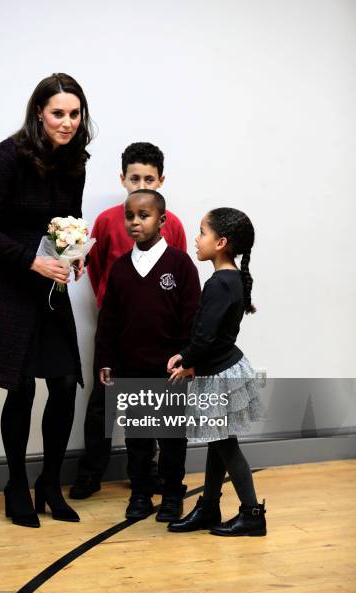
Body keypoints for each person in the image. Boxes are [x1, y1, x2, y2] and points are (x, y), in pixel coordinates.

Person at [0, 73, 93, 528]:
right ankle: (16, 483)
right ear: (39, 112)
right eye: (58, 113)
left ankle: (49, 484)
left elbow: (68, 218)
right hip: (7, 282)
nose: (68, 122)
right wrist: (32, 261)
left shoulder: (75, 160)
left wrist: (74, 255)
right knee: (21, 385)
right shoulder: (6, 157)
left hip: (49, 282)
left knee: (66, 381)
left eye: (74, 114)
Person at [70, 142, 187, 499]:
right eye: (134, 178)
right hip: (116, 332)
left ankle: (150, 472)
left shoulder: (174, 225)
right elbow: (95, 269)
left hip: (157, 335)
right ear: (122, 179)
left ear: (161, 181)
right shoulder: (107, 221)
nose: (141, 184)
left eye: (149, 179)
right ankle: (92, 471)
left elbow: (178, 280)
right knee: (102, 402)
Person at [95, 189, 201, 521]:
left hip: (169, 371)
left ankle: (172, 495)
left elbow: (192, 318)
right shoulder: (121, 269)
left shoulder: (180, 265)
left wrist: (188, 359)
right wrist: (106, 359)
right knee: (138, 439)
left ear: (162, 220)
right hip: (131, 367)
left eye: (144, 215)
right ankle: (139, 494)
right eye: (130, 216)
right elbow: (108, 318)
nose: (135, 222)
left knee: (171, 440)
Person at [166, 207, 267, 537]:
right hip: (221, 367)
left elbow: (206, 337)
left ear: (221, 242)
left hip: (219, 374)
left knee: (226, 445)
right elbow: (214, 334)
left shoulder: (220, 283)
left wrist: (185, 359)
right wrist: (192, 357)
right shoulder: (231, 279)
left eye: (202, 232)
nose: (197, 239)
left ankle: (252, 514)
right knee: (219, 441)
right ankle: (209, 506)